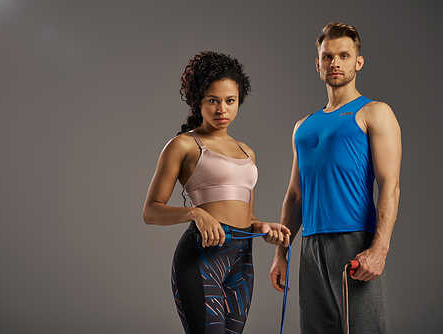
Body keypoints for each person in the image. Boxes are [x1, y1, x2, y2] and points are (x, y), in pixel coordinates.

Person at [143, 51, 291, 334]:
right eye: (213, 100)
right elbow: (150, 211)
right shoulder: (184, 146)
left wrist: (263, 227)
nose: (222, 109)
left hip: (241, 262)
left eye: (230, 101)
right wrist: (195, 213)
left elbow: (246, 215)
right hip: (201, 258)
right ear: (198, 101)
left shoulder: (247, 152)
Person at [269, 22, 401, 333]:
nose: (335, 63)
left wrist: (379, 249)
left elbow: (390, 187)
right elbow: (295, 196)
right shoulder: (303, 126)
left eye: (344, 55)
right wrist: (280, 254)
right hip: (311, 245)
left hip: (354, 241)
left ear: (358, 61)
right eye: (327, 57)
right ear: (318, 64)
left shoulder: (374, 112)